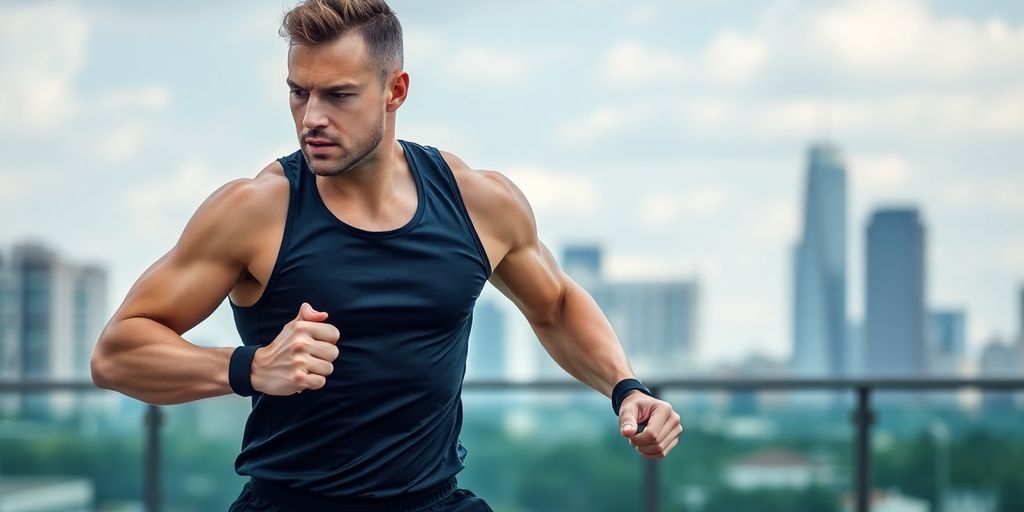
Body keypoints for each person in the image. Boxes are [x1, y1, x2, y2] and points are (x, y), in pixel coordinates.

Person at [89, 0, 682, 510]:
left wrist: (626, 388)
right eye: (298, 93)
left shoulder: (478, 202)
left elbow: (555, 306)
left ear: (395, 91)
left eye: (338, 95)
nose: (311, 117)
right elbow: (117, 354)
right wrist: (251, 367)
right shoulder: (255, 211)